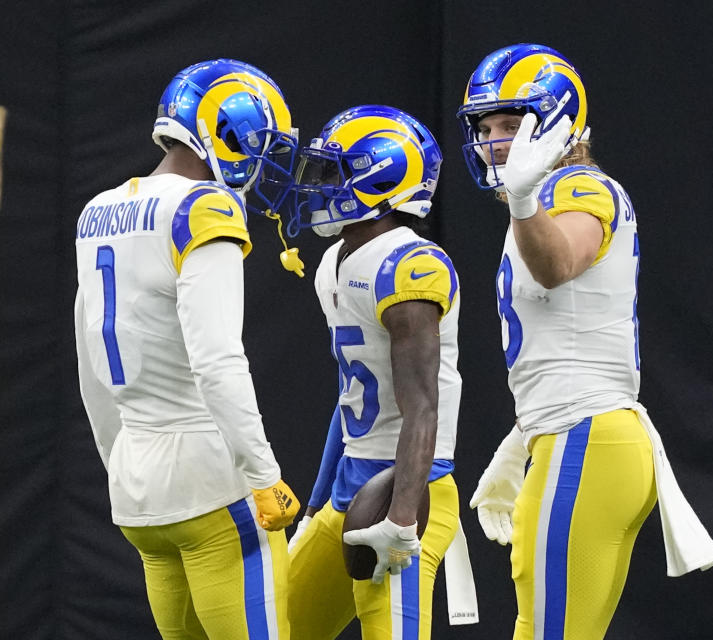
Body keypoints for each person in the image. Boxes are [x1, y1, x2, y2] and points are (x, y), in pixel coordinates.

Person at [458, 44, 713, 639]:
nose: (494, 139)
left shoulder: (578, 188)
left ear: (555, 121)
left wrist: (525, 200)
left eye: (510, 123)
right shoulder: (546, 198)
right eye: (486, 126)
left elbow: (558, 266)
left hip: (585, 438)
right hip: (583, 435)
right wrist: (525, 431)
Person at [73, 58, 301, 639]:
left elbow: (89, 362)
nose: (263, 158)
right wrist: (263, 472)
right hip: (208, 476)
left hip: (136, 482)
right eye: (259, 140)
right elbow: (217, 358)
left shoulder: (97, 211)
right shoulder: (204, 208)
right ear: (225, 129)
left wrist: (120, 462)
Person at [281, 105, 467, 639]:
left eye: (334, 173)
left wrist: (403, 518)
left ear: (380, 176)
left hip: (406, 490)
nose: (318, 185)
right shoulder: (335, 261)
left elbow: (422, 407)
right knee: (277, 626)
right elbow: (350, 400)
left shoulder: (408, 265)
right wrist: (316, 509)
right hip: (350, 486)